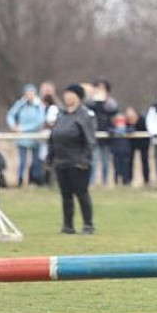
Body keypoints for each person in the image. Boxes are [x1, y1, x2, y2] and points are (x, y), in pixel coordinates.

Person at [45, 84, 97, 234]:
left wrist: (84, 161)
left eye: (71, 94)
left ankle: (88, 224)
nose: (67, 97)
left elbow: (91, 141)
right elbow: (53, 138)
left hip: (78, 162)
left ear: (78, 97)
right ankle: (68, 225)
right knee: (65, 195)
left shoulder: (85, 116)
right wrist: (50, 159)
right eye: (66, 94)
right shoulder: (61, 115)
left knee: (81, 193)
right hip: (61, 161)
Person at [6, 83, 46, 186]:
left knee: (35, 161)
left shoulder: (39, 106)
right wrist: (13, 126)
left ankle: (34, 180)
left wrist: (23, 128)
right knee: (22, 161)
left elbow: (40, 121)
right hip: (22, 138)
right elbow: (10, 115)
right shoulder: (20, 104)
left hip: (35, 137)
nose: (29, 95)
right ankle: (20, 180)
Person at [86, 79, 119, 186]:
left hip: (107, 137)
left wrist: (103, 102)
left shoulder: (111, 103)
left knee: (105, 162)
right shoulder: (89, 103)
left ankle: (105, 182)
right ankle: (92, 183)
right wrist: (96, 101)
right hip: (94, 136)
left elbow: (113, 111)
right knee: (93, 161)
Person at [126, 106, 151, 186]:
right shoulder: (127, 122)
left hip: (143, 143)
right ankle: (129, 180)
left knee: (145, 161)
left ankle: (146, 181)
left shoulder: (143, 120)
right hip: (132, 143)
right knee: (129, 162)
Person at [109, 113, 133, 186]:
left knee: (125, 167)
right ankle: (116, 182)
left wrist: (125, 130)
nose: (120, 124)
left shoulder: (127, 128)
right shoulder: (113, 129)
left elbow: (132, 130)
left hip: (125, 151)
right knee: (116, 168)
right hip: (116, 151)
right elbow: (109, 130)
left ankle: (125, 182)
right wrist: (116, 131)